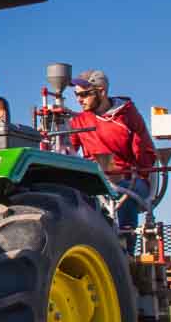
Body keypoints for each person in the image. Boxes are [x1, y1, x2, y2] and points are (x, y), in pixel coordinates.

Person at [67, 69, 157, 231]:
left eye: (84, 94)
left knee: (123, 193)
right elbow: (67, 152)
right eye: (76, 95)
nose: (79, 100)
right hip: (96, 178)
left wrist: (134, 174)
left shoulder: (127, 115)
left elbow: (145, 153)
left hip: (130, 179)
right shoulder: (79, 121)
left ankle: (126, 245)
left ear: (101, 92)